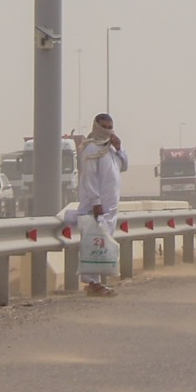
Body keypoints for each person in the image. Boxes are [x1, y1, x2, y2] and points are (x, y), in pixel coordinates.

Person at [77, 113, 128, 296]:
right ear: (96, 127)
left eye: (110, 127)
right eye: (104, 127)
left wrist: (119, 148)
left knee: (103, 245)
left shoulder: (110, 149)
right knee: (94, 244)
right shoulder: (91, 148)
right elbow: (89, 177)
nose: (107, 131)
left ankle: (97, 282)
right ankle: (93, 283)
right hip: (96, 206)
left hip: (110, 207)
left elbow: (124, 166)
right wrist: (96, 202)